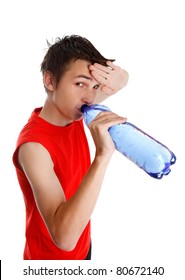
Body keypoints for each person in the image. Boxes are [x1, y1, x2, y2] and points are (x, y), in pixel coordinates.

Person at [12, 35, 129, 260]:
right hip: (51, 263)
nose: (90, 96)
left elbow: (115, 84)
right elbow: (64, 239)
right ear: (50, 81)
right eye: (80, 83)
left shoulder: (72, 109)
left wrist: (124, 78)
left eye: (94, 86)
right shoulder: (34, 147)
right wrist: (102, 155)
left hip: (83, 247)